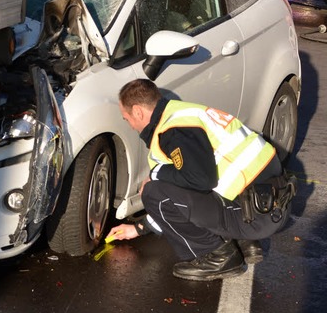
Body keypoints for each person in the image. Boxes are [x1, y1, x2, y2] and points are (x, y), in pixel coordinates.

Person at [107, 79, 296, 281]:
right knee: (176, 180)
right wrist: (139, 228)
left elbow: (199, 180)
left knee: (154, 192)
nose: (130, 125)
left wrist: (156, 173)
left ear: (138, 111)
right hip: (270, 203)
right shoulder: (185, 114)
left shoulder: (173, 130)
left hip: (257, 215)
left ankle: (218, 257)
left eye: (126, 118)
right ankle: (246, 242)